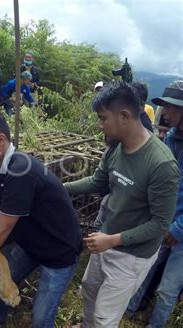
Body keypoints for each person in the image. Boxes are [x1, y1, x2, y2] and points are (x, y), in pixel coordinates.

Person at [64, 81, 179, 328]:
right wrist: (58, 187)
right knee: (89, 292)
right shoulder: (116, 147)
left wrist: (112, 240)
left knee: (105, 318)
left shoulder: (161, 165)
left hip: (132, 254)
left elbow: (160, 225)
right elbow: (97, 181)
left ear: (124, 116)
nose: (100, 124)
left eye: (103, 118)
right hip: (106, 239)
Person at [0, 108, 82, 327]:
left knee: (40, 317)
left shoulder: (20, 172)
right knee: (2, 283)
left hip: (59, 251)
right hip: (31, 244)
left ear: (0, 139)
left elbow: (3, 229)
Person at [143, 81, 183, 328]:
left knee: (169, 287)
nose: (165, 112)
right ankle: (129, 311)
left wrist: (177, 229)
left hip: (180, 230)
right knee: (144, 270)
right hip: (164, 221)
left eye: (171, 107)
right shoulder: (171, 138)